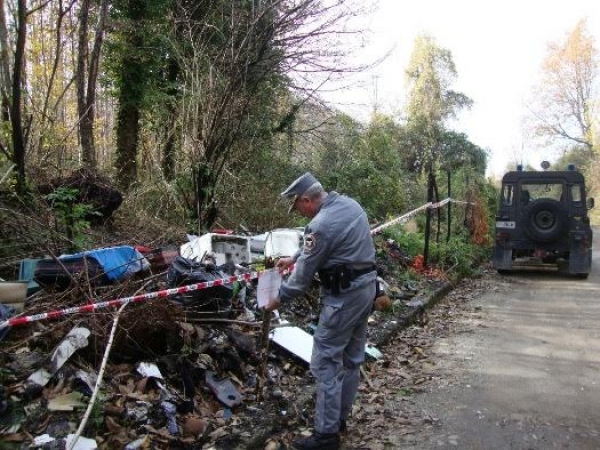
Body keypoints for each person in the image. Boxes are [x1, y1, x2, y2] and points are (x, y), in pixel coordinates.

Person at [264, 172, 377, 450]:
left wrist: (277, 298)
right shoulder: (350, 205)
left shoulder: (319, 225)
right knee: (352, 357)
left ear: (306, 200)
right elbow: (324, 246)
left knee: (325, 361)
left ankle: (326, 436)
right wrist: (293, 256)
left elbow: (301, 280)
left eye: (298, 207)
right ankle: (339, 419)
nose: (300, 213)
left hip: (343, 298)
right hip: (366, 290)